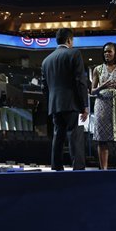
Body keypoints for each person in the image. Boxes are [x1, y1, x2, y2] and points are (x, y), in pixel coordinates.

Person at [41, 28, 89, 171]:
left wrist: (51, 102)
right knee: (76, 137)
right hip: (73, 104)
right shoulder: (74, 53)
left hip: (55, 105)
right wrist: (84, 106)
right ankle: (78, 170)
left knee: (58, 136)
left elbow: (44, 88)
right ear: (69, 40)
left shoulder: (46, 61)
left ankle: (56, 168)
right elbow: (80, 81)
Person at [90, 42, 116, 169]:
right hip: (102, 105)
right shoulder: (97, 69)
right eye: (105, 52)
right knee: (102, 140)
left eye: (109, 51)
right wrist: (102, 86)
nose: (107, 54)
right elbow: (92, 91)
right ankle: (104, 170)